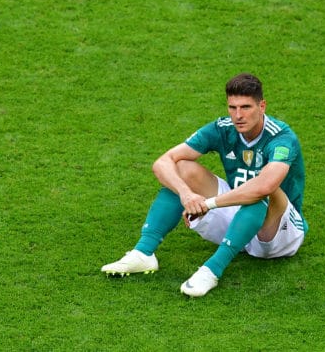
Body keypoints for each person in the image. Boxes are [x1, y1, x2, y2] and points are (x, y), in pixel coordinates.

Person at [101, 73, 307, 297]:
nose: (238, 115)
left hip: (279, 232)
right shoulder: (222, 128)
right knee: (183, 169)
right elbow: (162, 162)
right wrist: (187, 196)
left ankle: (211, 270)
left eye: (246, 107)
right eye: (233, 107)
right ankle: (143, 253)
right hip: (240, 218)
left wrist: (208, 204)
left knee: (260, 190)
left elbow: (264, 187)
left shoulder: (282, 138)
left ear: (262, 106)